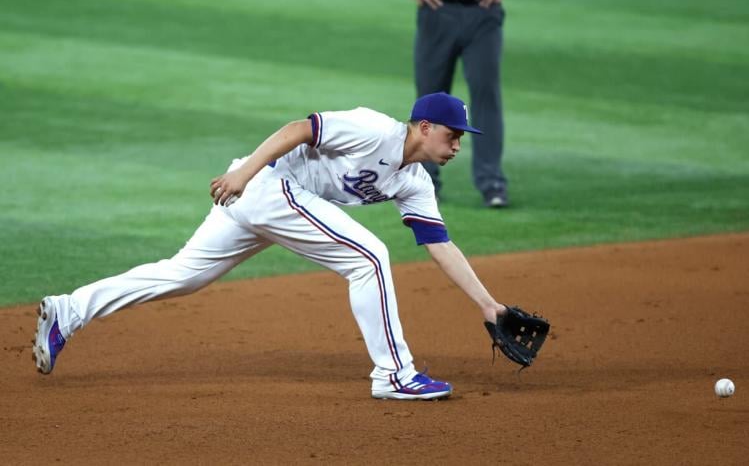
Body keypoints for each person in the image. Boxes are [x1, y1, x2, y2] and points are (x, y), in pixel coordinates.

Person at [32, 92, 510, 400]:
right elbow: (299, 129)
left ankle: (67, 310)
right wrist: (244, 172)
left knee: (182, 275)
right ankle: (394, 374)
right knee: (369, 258)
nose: (457, 146)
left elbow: (439, 244)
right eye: (453, 135)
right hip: (265, 186)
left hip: (273, 203)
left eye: (461, 139)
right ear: (424, 127)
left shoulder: (415, 182)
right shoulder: (374, 129)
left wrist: (489, 306)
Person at [377, 0, 528, 208]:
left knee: (486, 96)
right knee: (429, 102)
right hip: (436, 10)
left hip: (484, 12)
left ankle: (492, 184)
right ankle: (425, 182)